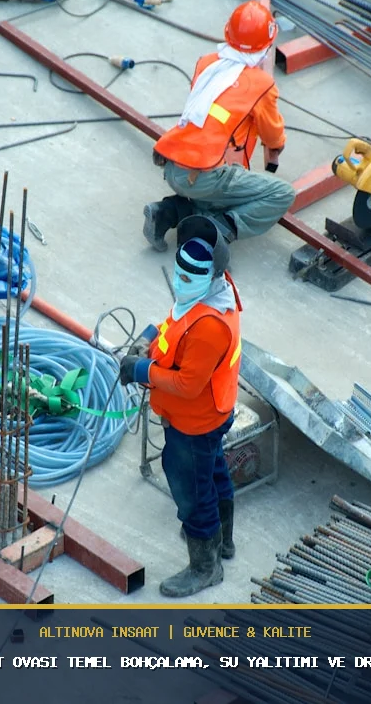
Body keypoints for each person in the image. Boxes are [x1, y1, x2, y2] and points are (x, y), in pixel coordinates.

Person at [119, 216, 243, 598]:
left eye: (190, 277)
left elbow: (189, 385)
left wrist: (143, 369)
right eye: (179, 273)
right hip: (211, 415)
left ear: (212, 274)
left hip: (195, 421)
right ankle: (222, 541)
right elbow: (176, 324)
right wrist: (151, 339)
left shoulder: (210, 326)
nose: (181, 282)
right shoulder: (210, 294)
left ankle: (206, 567)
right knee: (213, 472)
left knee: (193, 491)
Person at [144, 0, 295, 252]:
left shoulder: (207, 63)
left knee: (221, 188)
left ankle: (166, 213)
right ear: (266, 46)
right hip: (203, 176)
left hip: (172, 164)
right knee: (281, 194)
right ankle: (218, 229)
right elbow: (271, 134)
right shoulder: (261, 84)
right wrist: (276, 147)